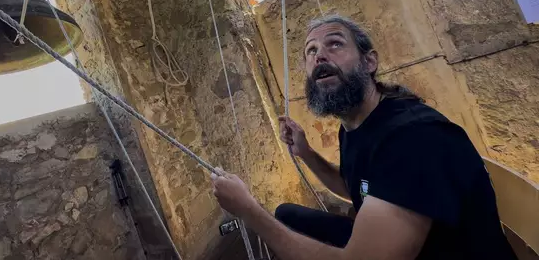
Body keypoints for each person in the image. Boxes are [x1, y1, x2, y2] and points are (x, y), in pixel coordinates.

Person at [211, 15, 517, 259]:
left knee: (273, 221)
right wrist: (306, 153)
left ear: (369, 62)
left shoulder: (413, 138)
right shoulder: (355, 125)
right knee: (286, 214)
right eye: (311, 51)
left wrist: (248, 211)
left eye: (334, 45)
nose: (319, 57)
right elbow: (357, 188)